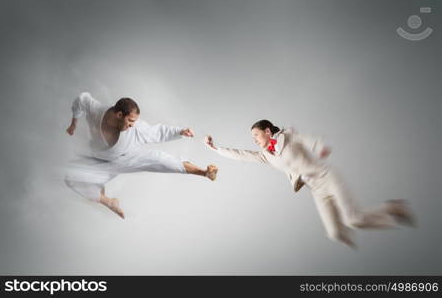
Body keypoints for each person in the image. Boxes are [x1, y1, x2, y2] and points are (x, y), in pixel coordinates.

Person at [204, 119, 415, 248]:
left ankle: (393, 209)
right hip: (317, 190)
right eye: (252, 137)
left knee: (353, 219)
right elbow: (240, 155)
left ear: (268, 131)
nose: (254, 140)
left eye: (256, 135)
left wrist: (320, 146)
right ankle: (373, 225)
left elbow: (309, 139)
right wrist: (215, 148)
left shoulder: (288, 136)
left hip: (328, 177)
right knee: (334, 233)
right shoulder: (266, 156)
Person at [65, 92, 218, 219]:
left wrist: (179, 131)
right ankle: (109, 201)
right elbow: (81, 99)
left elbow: (157, 132)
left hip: (128, 158)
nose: (132, 125)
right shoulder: (95, 110)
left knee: (159, 159)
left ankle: (204, 172)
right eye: (130, 121)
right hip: (101, 160)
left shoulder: (135, 129)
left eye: (134, 122)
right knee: (71, 178)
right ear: (119, 114)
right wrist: (74, 123)